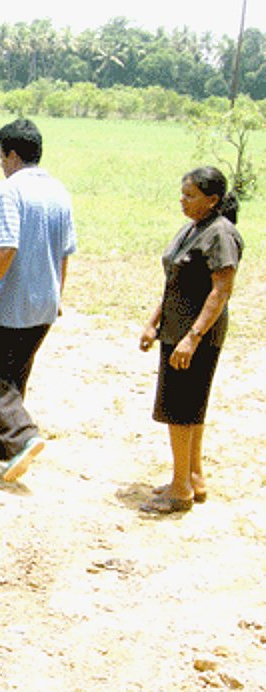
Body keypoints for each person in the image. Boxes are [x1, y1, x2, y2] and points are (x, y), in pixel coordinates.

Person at [0, 118, 75, 482]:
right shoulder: (60, 191)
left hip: (12, 299)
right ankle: (1, 445)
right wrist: (58, 294)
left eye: (1, 157)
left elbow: (6, 246)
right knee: (15, 373)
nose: (1, 164)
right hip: (45, 300)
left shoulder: (11, 190)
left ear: (12, 155)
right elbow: (66, 251)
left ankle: (22, 437)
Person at [138, 166, 242, 514]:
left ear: (212, 200)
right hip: (176, 330)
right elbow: (174, 283)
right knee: (188, 408)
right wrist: (154, 323)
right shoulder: (193, 229)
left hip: (195, 336)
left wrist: (192, 338)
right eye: (182, 194)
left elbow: (221, 291)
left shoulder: (220, 234)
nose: (182, 200)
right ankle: (193, 477)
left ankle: (179, 489)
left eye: (190, 195)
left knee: (181, 411)